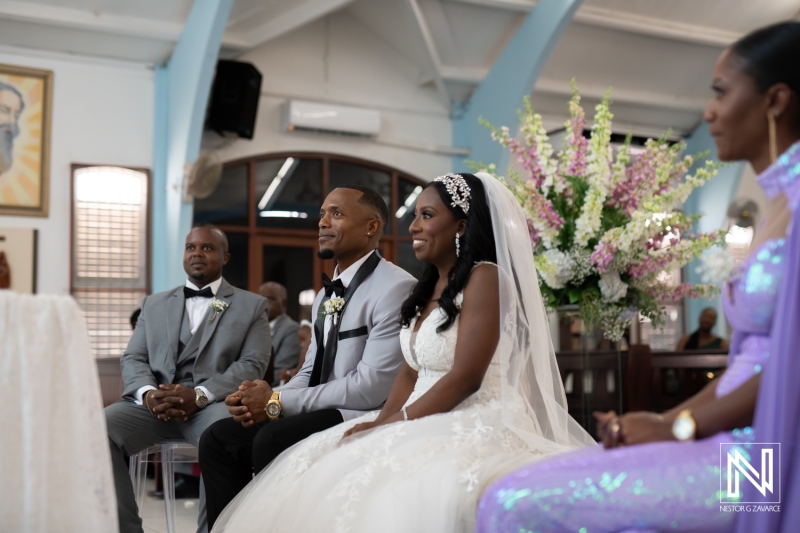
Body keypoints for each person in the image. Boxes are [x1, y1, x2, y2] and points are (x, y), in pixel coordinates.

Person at [476, 21, 800, 533]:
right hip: (739, 443)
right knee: (511, 485)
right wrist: (664, 425)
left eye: (720, 92)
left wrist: (677, 427)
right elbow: (746, 370)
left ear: (775, 99)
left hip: (765, 465)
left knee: (513, 503)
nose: (708, 113)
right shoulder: (777, 202)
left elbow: (788, 374)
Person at [207, 173, 594, 533]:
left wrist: (392, 423)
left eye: (427, 215)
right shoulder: (425, 289)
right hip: (408, 411)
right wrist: (383, 421)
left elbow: (465, 377)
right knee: (296, 455)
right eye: (415, 216)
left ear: (461, 225)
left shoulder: (485, 277)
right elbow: (410, 372)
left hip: (472, 412)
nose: (412, 227)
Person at [199, 186, 417, 530]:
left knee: (271, 437)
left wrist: (274, 403)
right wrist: (265, 396)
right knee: (219, 438)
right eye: (321, 214)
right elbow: (310, 371)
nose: (323, 223)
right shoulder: (323, 296)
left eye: (337, 213)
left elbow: (370, 388)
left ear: (372, 227)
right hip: (322, 405)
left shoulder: (396, 288)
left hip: (360, 412)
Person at [105, 223, 271, 533]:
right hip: (153, 406)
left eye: (207, 248)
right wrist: (146, 393)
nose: (197, 253)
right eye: (191, 247)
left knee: (225, 434)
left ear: (225, 257)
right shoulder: (154, 304)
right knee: (99, 428)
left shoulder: (252, 306)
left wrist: (200, 396)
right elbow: (134, 357)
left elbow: (252, 364)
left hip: (212, 407)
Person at [258, 281, 301, 385]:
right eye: (261, 299)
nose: (263, 303)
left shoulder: (292, 329)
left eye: (270, 298)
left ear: (284, 303)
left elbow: (280, 371)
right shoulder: (256, 327)